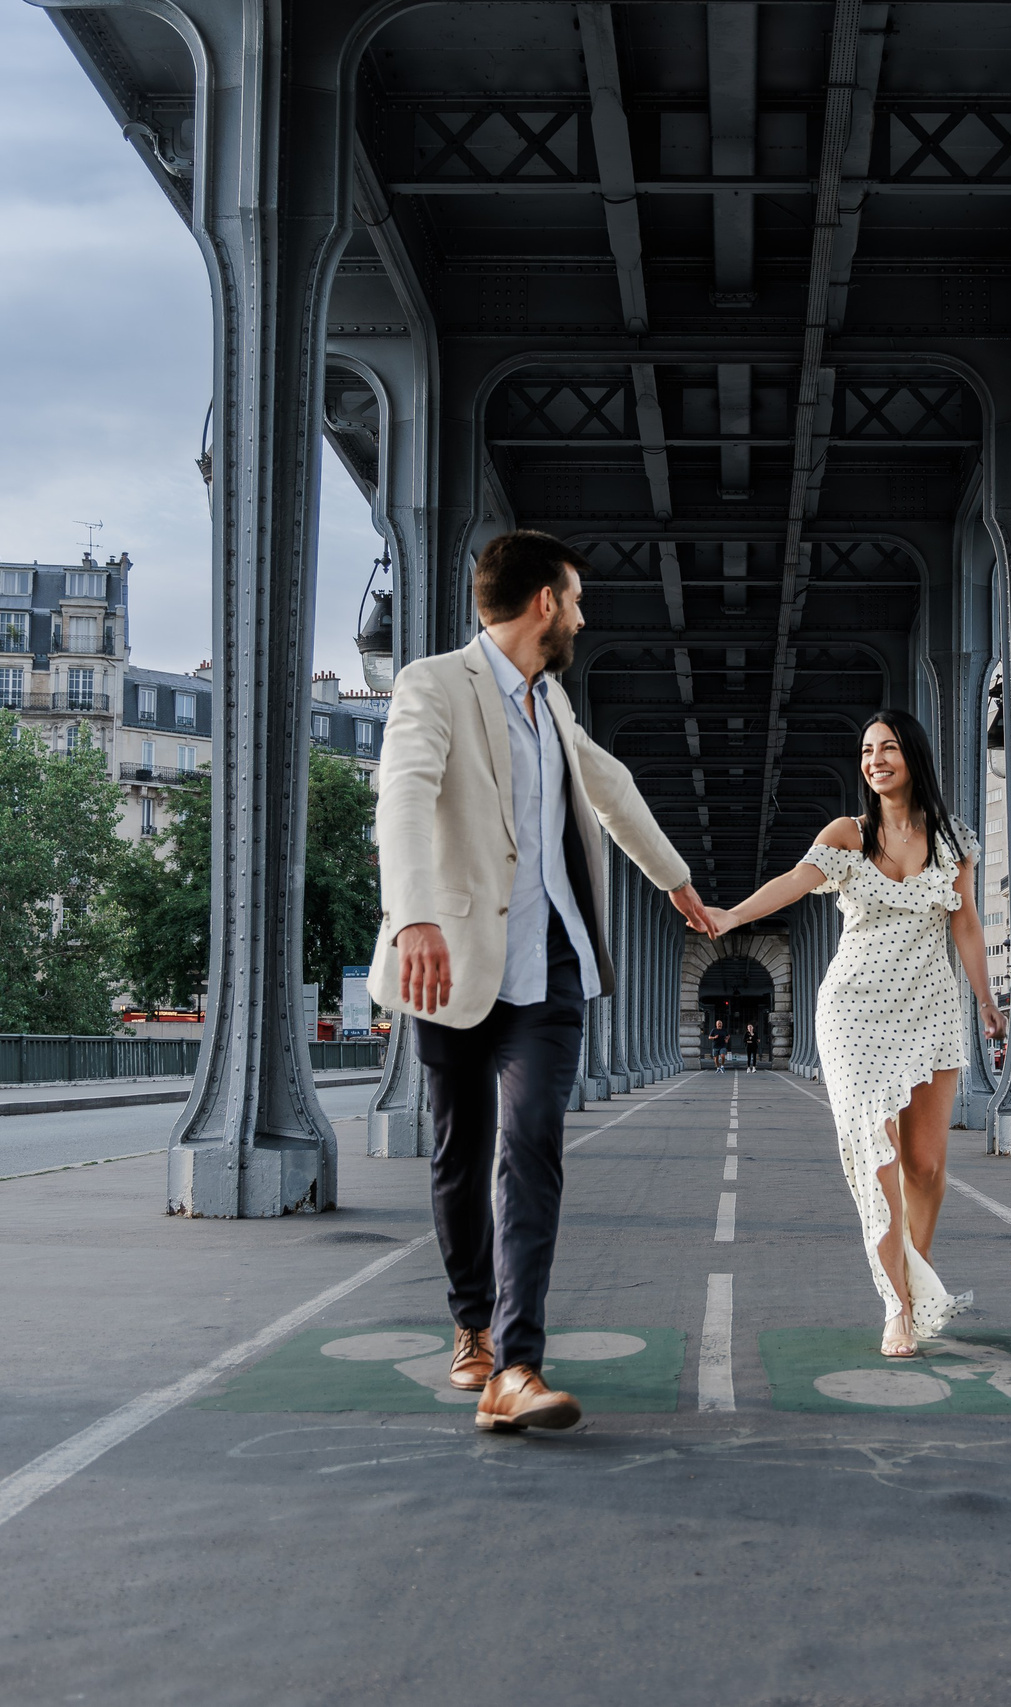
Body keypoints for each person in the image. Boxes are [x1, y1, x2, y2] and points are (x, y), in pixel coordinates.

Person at [369, 530, 714, 1433]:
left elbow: (613, 787)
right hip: (451, 958)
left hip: (552, 962)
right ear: (545, 605)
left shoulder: (551, 702)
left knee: (530, 1145)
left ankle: (518, 1364)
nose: (584, 615)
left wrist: (676, 881)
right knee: (459, 1150)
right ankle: (471, 1327)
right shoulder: (434, 683)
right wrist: (412, 916)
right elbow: (402, 793)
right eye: (578, 599)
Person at [702, 707, 1004, 1357]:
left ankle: (916, 1282)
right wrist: (731, 916)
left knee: (926, 1166)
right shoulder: (848, 834)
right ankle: (896, 1303)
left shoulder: (954, 839)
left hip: (929, 1008)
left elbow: (968, 923)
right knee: (881, 1156)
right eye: (867, 751)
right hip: (854, 1012)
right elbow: (792, 883)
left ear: (913, 755)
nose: (876, 760)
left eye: (888, 747)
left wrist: (986, 998)